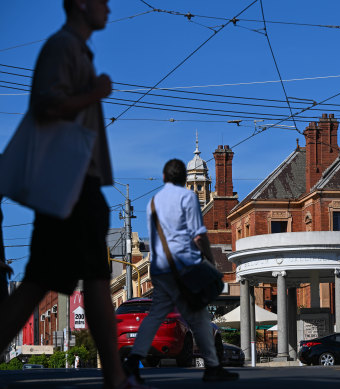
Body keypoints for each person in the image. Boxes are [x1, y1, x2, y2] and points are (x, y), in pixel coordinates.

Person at [0, 1, 150, 388]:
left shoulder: (75, 49)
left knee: (88, 279)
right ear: (81, 5)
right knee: (54, 280)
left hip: (79, 183)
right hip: (71, 184)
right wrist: (95, 92)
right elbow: (47, 106)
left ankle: (114, 375)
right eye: (101, 1)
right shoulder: (63, 47)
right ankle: (115, 377)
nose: (109, 7)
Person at [123, 159, 238, 383]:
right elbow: (198, 235)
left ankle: (133, 360)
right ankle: (213, 366)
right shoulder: (188, 198)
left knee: (156, 314)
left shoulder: (153, 202)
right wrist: (210, 261)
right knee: (200, 316)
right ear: (185, 179)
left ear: (164, 178)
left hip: (159, 268)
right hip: (184, 265)